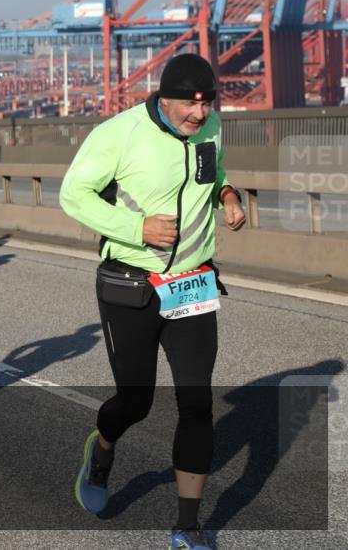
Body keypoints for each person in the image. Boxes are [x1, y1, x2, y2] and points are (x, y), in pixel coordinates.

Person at [60, 54, 246, 550]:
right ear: (164, 98)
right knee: (136, 401)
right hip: (132, 285)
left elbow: (215, 169)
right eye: (189, 103)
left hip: (193, 283)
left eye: (207, 103)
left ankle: (188, 527)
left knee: (197, 402)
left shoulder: (210, 128)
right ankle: (101, 452)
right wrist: (136, 228)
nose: (199, 114)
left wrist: (227, 195)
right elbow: (73, 194)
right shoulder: (118, 133)